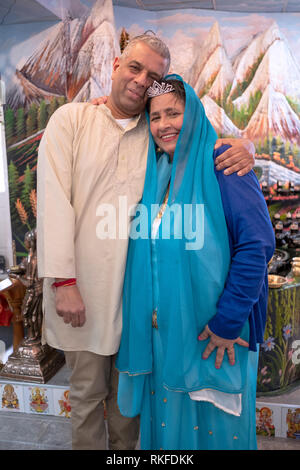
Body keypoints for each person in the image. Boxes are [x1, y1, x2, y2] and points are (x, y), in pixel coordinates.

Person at [37, 34, 256, 451]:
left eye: (153, 75)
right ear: (117, 64)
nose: (141, 80)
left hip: (139, 306)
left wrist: (245, 145)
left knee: (129, 408)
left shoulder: (152, 133)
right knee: (86, 400)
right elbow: (53, 202)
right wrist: (63, 282)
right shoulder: (73, 119)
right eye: (135, 68)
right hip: (83, 296)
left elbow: (200, 139)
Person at [116, 76, 275, 450]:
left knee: (216, 433)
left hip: (215, 338)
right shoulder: (158, 174)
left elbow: (257, 245)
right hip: (166, 340)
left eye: (174, 112)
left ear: (194, 115)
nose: (164, 125)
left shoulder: (223, 167)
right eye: (155, 117)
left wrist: (227, 322)